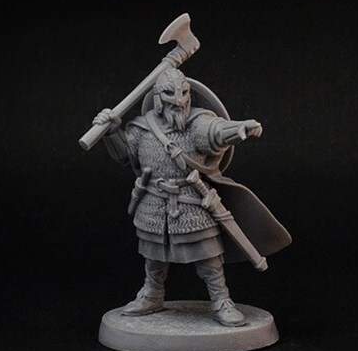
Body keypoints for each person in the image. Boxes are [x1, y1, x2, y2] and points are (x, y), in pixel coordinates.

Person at [93, 67, 266, 327]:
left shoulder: (197, 124)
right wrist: (111, 132)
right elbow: (126, 156)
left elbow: (215, 133)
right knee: (154, 256)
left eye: (184, 93)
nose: (179, 100)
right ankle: (152, 295)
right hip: (153, 202)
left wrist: (238, 128)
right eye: (170, 94)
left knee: (208, 256)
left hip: (191, 201)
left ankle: (221, 300)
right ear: (157, 97)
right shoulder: (142, 128)